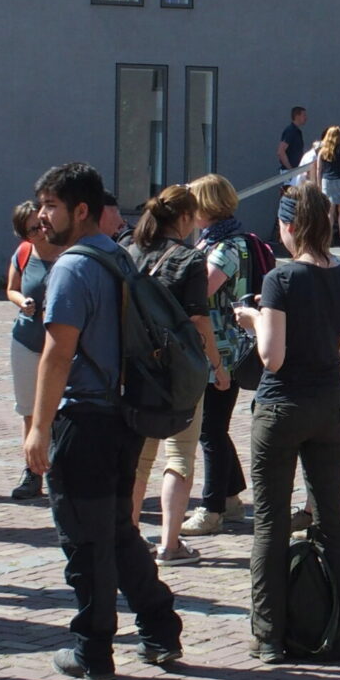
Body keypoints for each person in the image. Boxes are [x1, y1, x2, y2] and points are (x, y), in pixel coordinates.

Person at [24, 162, 183, 680]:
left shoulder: (71, 267)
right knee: (117, 531)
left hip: (85, 420)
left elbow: (57, 352)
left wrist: (37, 428)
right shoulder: (118, 256)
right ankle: (160, 626)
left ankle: (93, 647)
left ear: (81, 209)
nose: (41, 216)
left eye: (50, 205)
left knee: (85, 539)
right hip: (123, 416)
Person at [234, 182, 340, 663]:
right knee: (333, 520)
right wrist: (320, 338)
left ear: (288, 226)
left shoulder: (280, 280)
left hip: (282, 407)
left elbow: (271, 358)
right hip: (329, 406)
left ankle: (269, 634)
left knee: (270, 522)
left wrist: (253, 322)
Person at [126, 185, 228, 565]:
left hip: (137, 368)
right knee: (181, 455)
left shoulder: (131, 252)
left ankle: (130, 536)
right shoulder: (189, 259)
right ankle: (170, 545)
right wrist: (216, 366)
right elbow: (199, 320)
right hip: (180, 370)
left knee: (139, 458)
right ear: (184, 218)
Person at [181, 174, 252, 537]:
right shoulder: (215, 240)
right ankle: (231, 498)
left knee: (211, 430)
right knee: (215, 428)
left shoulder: (225, 246)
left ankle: (211, 509)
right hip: (216, 348)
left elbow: (201, 290)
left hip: (222, 351)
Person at [7, 200, 62, 500]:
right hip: (27, 341)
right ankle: (32, 472)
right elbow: (11, 288)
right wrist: (21, 302)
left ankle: (60, 472)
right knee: (30, 410)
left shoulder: (67, 252)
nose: (40, 231)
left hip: (62, 345)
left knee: (61, 410)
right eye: (32, 228)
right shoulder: (25, 252)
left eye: (42, 225)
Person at [277, 106, 307, 180]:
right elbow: (281, 152)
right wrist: (291, 170)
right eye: (304, 115)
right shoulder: (291, 131)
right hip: (290, 173)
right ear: (297, 116)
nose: (306, 118)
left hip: (295, 171)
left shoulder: (296, 131)